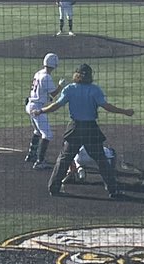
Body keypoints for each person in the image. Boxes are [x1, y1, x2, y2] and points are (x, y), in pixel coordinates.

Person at [36, 62, 133, 198]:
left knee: (64, 159)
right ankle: (113, 189)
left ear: (76, 75)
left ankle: (54, 187)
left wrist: (40, 111)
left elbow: (55, 105)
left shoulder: (70, 89)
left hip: (75, 128)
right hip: (90, 129)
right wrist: (125, 112)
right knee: (101, 160)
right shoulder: (95, 90)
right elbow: (107, 106)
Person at [24, 51, 61, 169]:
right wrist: (60, 86)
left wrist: (46, 98)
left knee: (38, 131)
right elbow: (54, 93)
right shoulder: (47, 77)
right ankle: (40, 161)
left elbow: (41, 91)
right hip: (37, 108)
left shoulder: (38, 73)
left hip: (30, 104)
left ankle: (31, 154)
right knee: (48, 134)